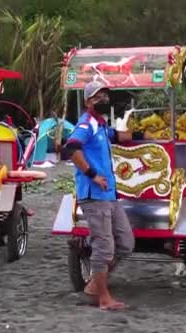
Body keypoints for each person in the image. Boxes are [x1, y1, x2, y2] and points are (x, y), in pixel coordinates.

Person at [65, 81, 147, 310]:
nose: (104, 100)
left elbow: (119, 136)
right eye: (98, 97)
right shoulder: (86, 124)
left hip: (109, 195)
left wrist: (144, 133)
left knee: (126, 243)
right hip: (94, 195)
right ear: (88, 101)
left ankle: (94, 284)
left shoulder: (101, 125)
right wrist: (92, 174)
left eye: (105, 96)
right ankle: (103, 298)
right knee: (104, 247)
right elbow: (72, 148)